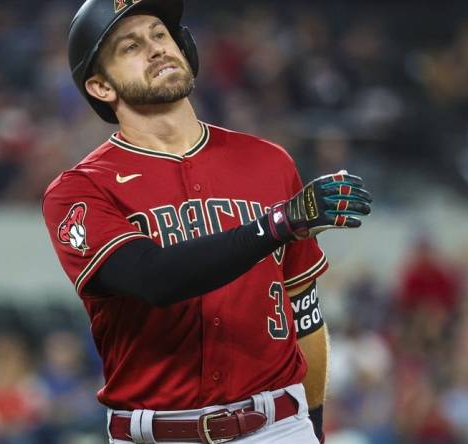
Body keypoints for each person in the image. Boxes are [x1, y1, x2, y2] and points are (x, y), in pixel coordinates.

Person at [42, 0, 372, 442]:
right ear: (101, 86)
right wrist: (280, 222)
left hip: (276, 426)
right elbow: (152, 278)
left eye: (160, 34)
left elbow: (304, 312)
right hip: (156, 432)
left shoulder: (268, 162)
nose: (157, 48)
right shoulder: (79, 190)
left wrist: (312, 423)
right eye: (131, 46)